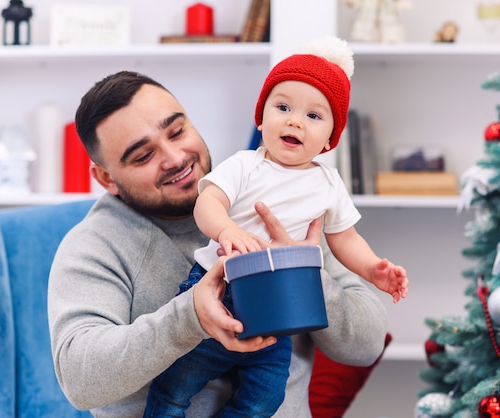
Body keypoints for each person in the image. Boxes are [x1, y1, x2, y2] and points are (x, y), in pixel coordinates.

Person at [48, 69, 389, 418]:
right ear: (107, 178)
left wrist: (303, 271)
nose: (175, 158)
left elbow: (366, 345)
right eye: (143, 156)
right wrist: (188, 319)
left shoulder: (277, 199)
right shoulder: (93, 245)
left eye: (177, 131)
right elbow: (80, 378)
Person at [143, 37, 409, 417]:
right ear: (261, 115)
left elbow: (345, 237)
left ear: (329, 139)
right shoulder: (245, 165)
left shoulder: (329, 184)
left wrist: (373, 269)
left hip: (281, 303)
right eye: (282, 106)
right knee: (177, 381)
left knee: (265, 396)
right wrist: (226, 231)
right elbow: (208, 202)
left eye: (314, 116)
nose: (294, 120)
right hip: (222, 289)